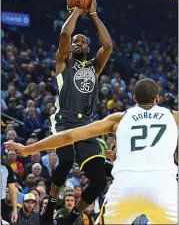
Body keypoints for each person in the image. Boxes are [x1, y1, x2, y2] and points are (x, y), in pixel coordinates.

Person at [6, 78, 178, 224]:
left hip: (127, 187)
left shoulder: (119, 118)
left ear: (134, 98)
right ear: (157, 98)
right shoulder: (173, 116)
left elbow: (70, 135)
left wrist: (28, 148)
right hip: (164, 186)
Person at [31, 0, 112, 225]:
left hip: (86, 124)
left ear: (87, 47)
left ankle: (71, 218)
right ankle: (51, 205)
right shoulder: (63, 63)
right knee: (65, 161)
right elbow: (65, 33)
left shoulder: (94, 67)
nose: (78, 43)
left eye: (82, 41)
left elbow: (107, 45)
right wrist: (77, 9)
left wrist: (94, 13)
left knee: (98, 180)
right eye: (76, 42)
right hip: (64, 120)